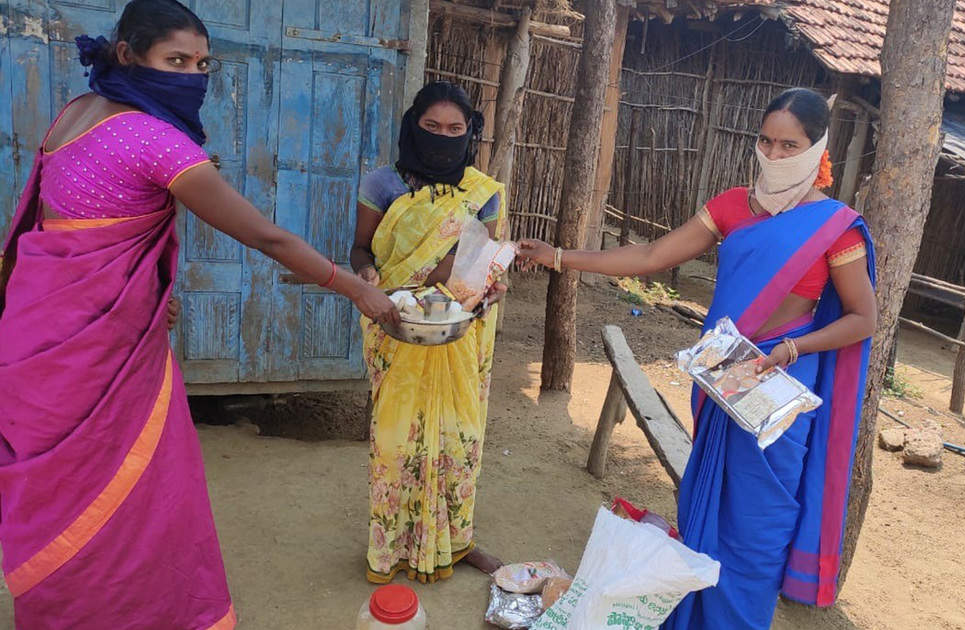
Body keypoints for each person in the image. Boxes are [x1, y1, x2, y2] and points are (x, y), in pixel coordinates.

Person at [0, 2, 397, 628]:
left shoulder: (71, 116)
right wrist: (356, 290)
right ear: (128, 55)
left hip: (40, 333)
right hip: (98, 353)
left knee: (66, 497)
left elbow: (66, 230)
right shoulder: (158, 142)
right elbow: (268, 240)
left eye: (202, 64)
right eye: (176, 61)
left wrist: (145, 288)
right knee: (132, 500)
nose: (192, 76)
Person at [517, 88, 877, 629]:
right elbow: (650, 255)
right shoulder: (733, 205)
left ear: (817, 149)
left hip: (780, 388)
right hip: (724, 376)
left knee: (760, 530)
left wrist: (792, 348)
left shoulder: (835, 226)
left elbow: (862, 319)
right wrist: (560, 257)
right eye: (765, 142)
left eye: (789, 146)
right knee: (705, 511)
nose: (774, 156)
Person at [351, 81, 508, 585]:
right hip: (396, 323)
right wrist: (368, 276)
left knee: (460, 440)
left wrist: (492, 286)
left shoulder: (483, 192)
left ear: (470, 134)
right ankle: (390, 549)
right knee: (396, 443)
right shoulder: (382, 184)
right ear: (412, 127)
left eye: (456, 130)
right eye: (432, 127)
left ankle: (457, 541)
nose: (444, 137)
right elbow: (360, 250)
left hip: (459, 332)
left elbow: (484, 262)